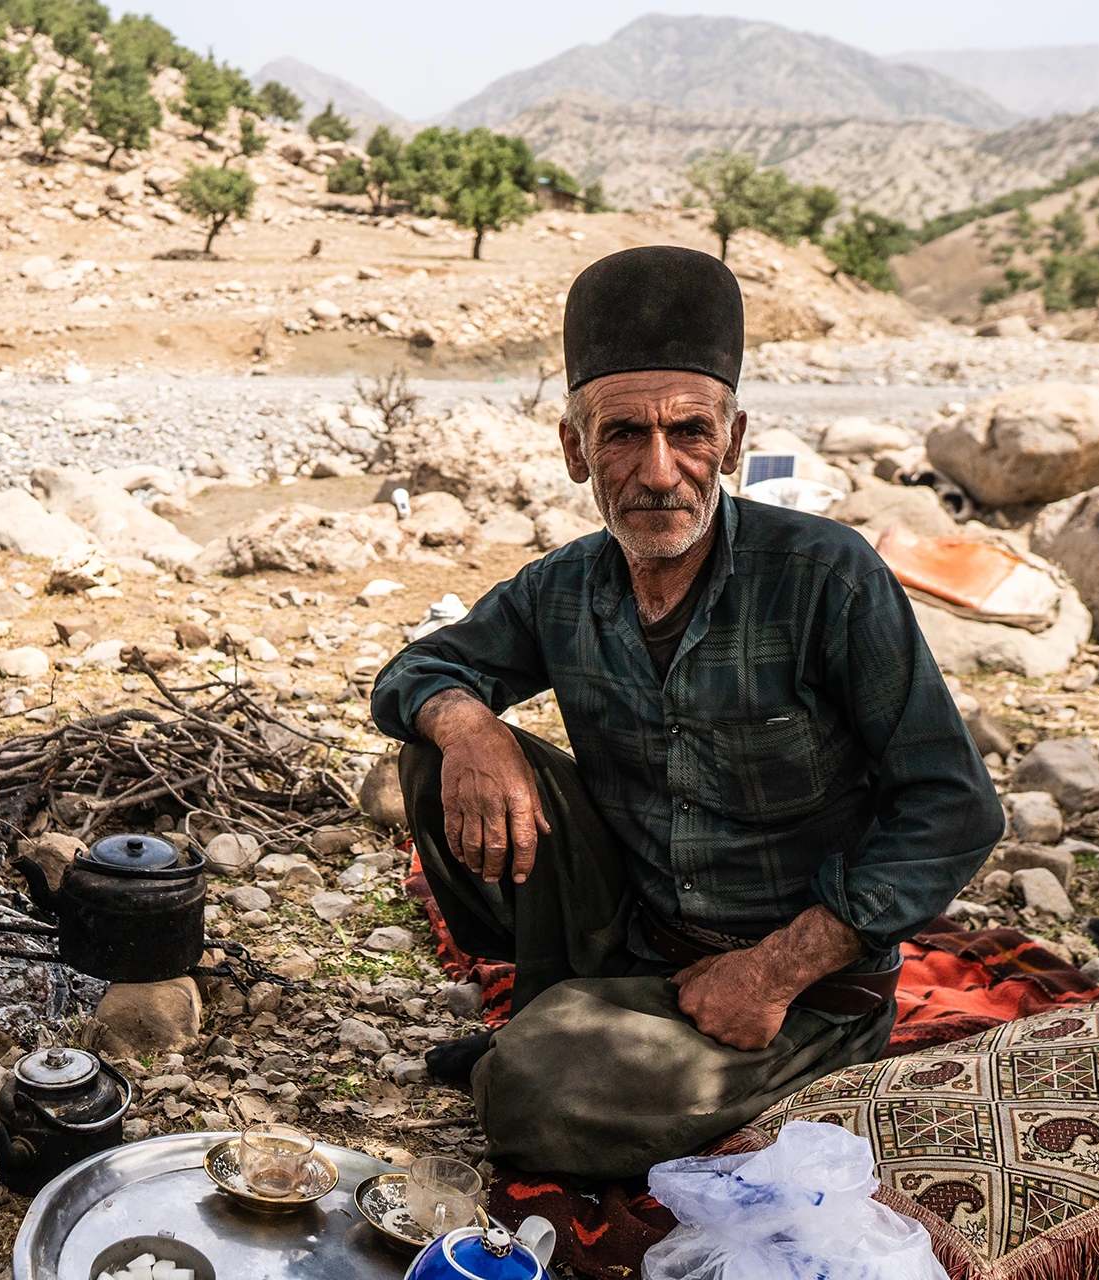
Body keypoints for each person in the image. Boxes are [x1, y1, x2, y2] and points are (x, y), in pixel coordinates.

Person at [370, 245, 1004, 1179]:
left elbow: (954, 808)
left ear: (736, 442)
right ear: (574, 449)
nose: (660, 473)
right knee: (436, 751)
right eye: (623, 433)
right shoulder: (565, 587)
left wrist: (777, 970)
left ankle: (734, 1062)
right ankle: (573, 1015)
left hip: (803, 979)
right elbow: (414, 672)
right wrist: (468, 726)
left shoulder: (825, 577)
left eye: (690, 433)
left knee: (533, 1102)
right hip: (638, 923)